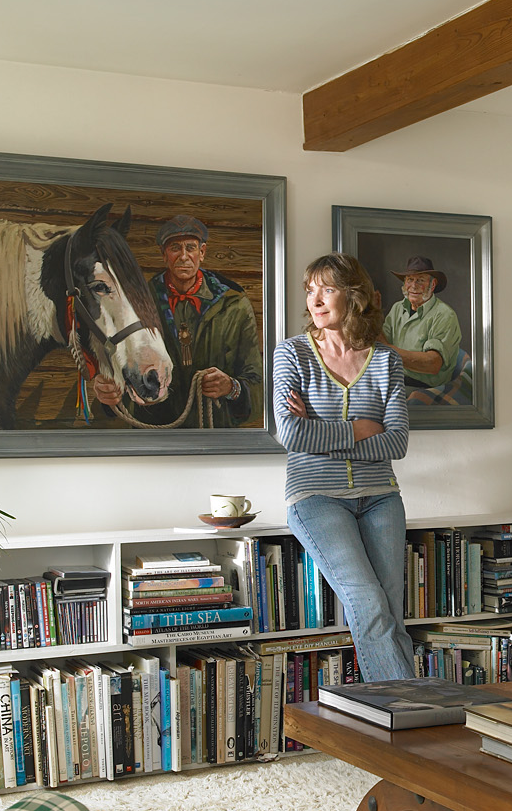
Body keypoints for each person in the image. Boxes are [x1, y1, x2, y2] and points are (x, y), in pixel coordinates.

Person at [273, 253, 414, 683]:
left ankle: (405, 707)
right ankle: (405, 707)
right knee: (367, 601)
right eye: (310, 290)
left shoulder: (385, 361)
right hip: (317, 499)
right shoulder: (292, 354)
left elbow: (397, 442)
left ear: (353, 296)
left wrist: (320, 434)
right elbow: (290, 434)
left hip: (381, 498)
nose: (315, 300)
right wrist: (357, 429)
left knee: (391, 609)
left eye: (327, 289)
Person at [95, 215, 263, 427]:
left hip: (214, 433)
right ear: (163, 255)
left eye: (190, 248)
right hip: (155, 431)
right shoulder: (135, 304)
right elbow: (119, 368)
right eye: (175, 248)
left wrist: (232, 388)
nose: (184, 256)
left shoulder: (234, 306)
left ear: (202, 253)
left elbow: (256, 382)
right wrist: (110, 393)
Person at [380, 255, 462, 391]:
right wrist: (374, 313)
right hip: (396, 380)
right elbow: (381, 343)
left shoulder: (445, 315)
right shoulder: (397, 308)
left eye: (420, 280)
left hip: (425, 388)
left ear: (433, 284)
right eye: (410, 279)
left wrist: (389, 351)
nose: (413, 286)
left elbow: (432, 364)